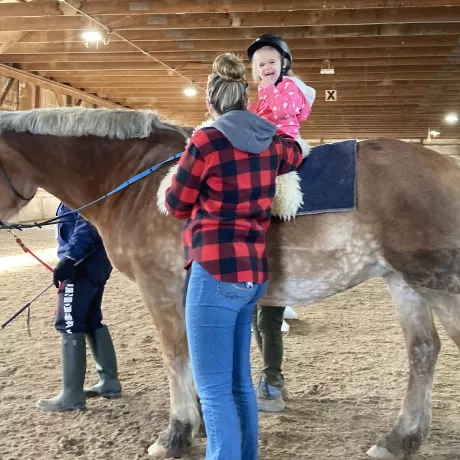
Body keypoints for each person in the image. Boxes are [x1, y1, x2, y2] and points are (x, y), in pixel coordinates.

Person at [165, 53, 303, 460]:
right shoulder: (270, 140)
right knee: (241, 383)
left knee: (212, 391)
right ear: (246, 99)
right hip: (253, 273)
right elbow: (296, 154)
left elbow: (176, 203)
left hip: (214, 270)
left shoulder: (206, 140)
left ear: (210, 103)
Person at [247, 34, 316, 413]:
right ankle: (270, 377)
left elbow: (282, 116)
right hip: (265, 143)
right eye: (260, 64)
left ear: (284, 62)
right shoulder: (261, 90)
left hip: (284, 144)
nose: (266, 68)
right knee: (263, 323)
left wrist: (269, 90)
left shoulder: (288, 88)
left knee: (269, 185)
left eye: (271, 61)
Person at [37, 203, 122, 412]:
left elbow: (88, 222)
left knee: (68, 321)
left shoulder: (75, 188)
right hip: (96, 262)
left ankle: (71, 395)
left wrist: (70, 257)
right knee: (92, 318)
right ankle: (109, 382)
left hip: (82, 263)